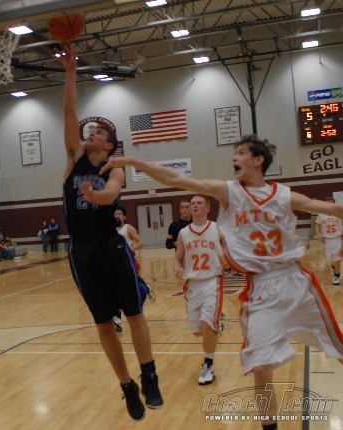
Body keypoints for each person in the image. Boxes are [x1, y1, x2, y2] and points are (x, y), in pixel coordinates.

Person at [101, 134, 343, 429]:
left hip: (295, 281)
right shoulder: (229, 192)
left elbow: (331, 209)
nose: (234, 157)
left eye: (241, 152)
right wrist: (132, 161)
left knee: (339, 347)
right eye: (234, 152)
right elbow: (175, 178)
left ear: (258, 160)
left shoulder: (283, 195)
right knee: (260, 366)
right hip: (260, 288)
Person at [58, 44, 162, 421]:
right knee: (103, 323)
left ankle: (149, 375)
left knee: (133, 312)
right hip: (81, 250)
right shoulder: (74, 158)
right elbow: (69, 112)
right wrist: (71, 71)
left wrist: (95, 195)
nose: (91, 132)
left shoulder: (115, 167)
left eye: (99, 131)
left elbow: (111, 194)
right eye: (91, 129)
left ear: (109, 144)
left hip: (110, 244)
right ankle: (127, 385)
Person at [172, 195, 225, 385]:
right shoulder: (184, 233)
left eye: (199, 203)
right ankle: (218, 325)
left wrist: (228, 259)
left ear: (208, 208)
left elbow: (228, 251)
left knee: (206, 324)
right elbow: (178, 257)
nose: (194, 206)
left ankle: (208, 365)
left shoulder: (218, 229)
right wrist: (177, 267)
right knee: (197, 331)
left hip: (212, 281)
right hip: (193, 284)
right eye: (192, 203)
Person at [112, 205, 155, 333]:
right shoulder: (109, 229)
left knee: (128, 287)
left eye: (120, 214)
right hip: (114, 264)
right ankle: (118, 319)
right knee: (116, 290)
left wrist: (130, 249)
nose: (117, 216)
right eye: (115, 214)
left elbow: (140, 242)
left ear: (124, 216)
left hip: (129, 262)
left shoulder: (128, 228)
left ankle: (146, 288)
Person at [314, 197, 342, 285]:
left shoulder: (339, 213)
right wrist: (319, 235)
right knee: (329, 261)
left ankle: (337, 276)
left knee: (336, 258)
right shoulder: (321, 215)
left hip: (337, 238)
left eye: (330, 203)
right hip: (326, 240)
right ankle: (335, 269)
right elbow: (317, 225)